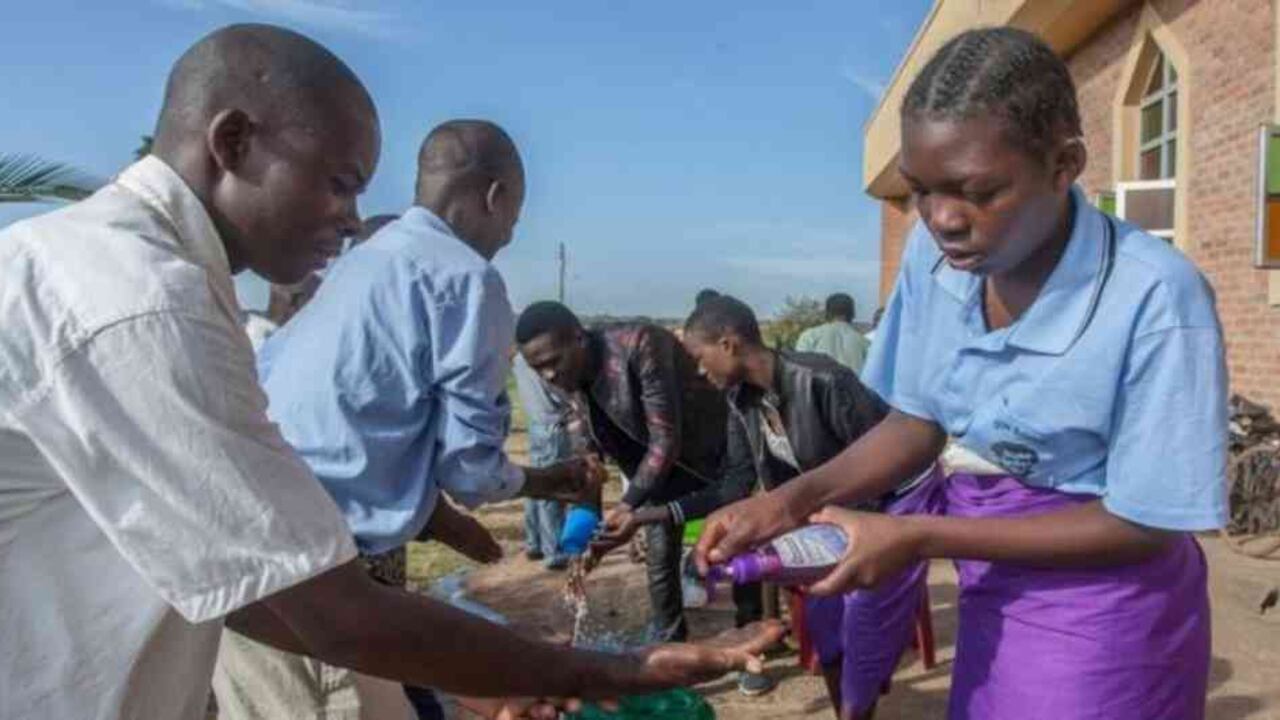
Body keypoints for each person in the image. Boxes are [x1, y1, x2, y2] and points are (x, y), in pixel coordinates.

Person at [0, 24, 780, 720]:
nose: (349, 219)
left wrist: (493, 667)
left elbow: (239, 577)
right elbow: (331, 603)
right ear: (232, 142)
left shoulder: (131, 271)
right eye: (338, 183)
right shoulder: (139, 305)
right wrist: (609, 670)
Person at [696, 27, 1226, 720]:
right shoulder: (936, 257)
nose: (943, 219)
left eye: (977, 191)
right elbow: (920, 420)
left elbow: (1148, 520)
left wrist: (922, 537)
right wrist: (790, 501)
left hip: (1105, 602)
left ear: (1064, 164)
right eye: (921, 191)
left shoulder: (1156, 297)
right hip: (991, 576)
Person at [680, 295, 936, 718]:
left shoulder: (823, 380)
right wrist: (675, 518)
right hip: (822, 527)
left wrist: (839, 532)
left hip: (881, 518)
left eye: (699, 358)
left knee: (861, 636)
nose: (699, 371)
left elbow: (888, 464)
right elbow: (738, 480)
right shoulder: (741, 401)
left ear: (727, 344)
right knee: (826, 632)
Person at [515, 302, 727, 645]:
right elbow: (589, 453)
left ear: (578, 338)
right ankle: (670, 640)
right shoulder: (568, 375)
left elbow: (665, 438)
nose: (549, 375)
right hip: (653, 471)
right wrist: (588, 528)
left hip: (709, 458)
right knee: (659, 557)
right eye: (538, 369)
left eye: (553, 362)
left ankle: (755, 627)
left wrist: (628, 504)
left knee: (731, 542)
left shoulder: (640, 344)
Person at [513, 352, 572, 570]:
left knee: (535, 484)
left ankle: (535, 543)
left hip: (536, 424)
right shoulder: (540, 356)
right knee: (553, 488)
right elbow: (555, 389)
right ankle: (555, 551)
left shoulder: (519, 358)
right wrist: (572, 402)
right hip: (552, 425)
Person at [794, 293, 871, 373]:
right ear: (853, 314)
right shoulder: (865, 343)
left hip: (819, 381)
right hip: (854, 381)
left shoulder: (810, 336)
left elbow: (799, 368)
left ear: (826, 313)